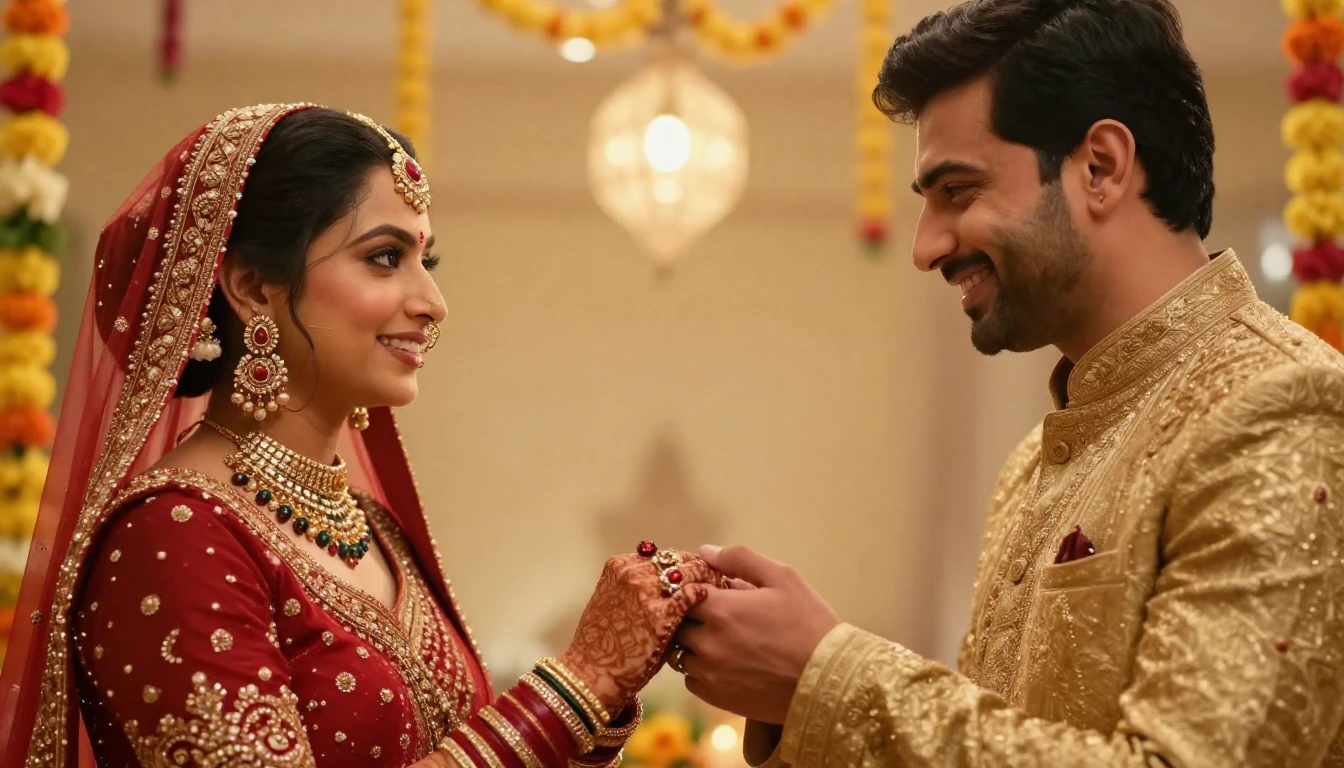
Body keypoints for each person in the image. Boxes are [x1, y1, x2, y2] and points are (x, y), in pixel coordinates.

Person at [671, 1, 1344, 765]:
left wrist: (825, 676)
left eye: (957, 192)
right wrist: (792, 696)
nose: (926, 248)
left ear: (1101, 168)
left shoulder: (1284, 408)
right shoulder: (1034, 463)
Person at [0, 103, 717, 768]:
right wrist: (578, 680)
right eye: (384, 257)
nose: (432, 303)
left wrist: (613, 674)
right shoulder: (174, 533)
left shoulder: (373, 528)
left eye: (425, 261)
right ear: (250, 287)